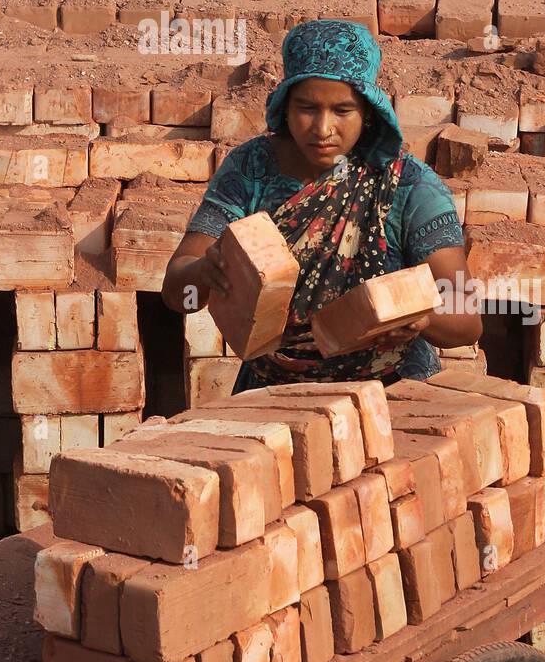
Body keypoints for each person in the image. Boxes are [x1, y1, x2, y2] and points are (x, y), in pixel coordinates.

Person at [162, 19, 479, 391]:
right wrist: (203, 272)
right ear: (285, 106)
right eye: (307, 108)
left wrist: (422, 316)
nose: (322, 128)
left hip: (390, 391)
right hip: (273, 391)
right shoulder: (250, 170)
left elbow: (468, 320)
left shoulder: (408, 185)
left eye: (342, 111)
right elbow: (176, 293)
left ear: (367, 111)